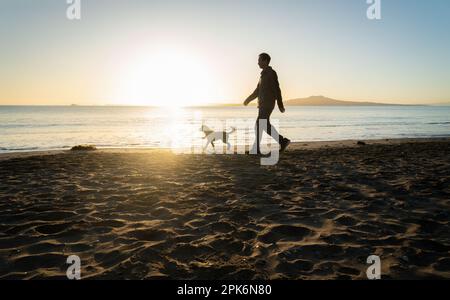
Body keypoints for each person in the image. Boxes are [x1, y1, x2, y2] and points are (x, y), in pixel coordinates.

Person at [244, 53, 290, 154]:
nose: (258, 62)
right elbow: (257, 91)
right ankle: (279, 142)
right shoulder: (262, 75)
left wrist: (280, 105)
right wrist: (248, 99)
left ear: (265, 61)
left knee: (261, 124)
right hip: (262, 104)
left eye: (259, 60)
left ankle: (282, 141)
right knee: (261, 125)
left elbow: (277, 89)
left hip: (268, 104)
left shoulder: (271, 73)